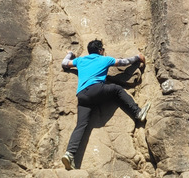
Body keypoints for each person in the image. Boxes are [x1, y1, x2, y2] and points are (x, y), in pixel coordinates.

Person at [60, 39, 150, 170]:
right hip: (96, 90)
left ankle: (69, 154)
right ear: (100, 50)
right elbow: (124, 62)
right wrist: (138, 57)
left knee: (81, 125)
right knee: (116, 89)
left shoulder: (80, 60)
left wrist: (70, 54)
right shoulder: (104, 59)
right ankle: (138, 112)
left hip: (82, 96)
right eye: (103, 49)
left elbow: (64, 64)